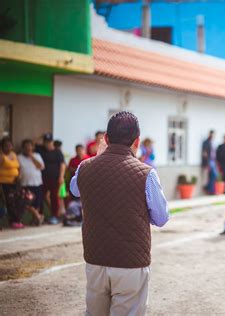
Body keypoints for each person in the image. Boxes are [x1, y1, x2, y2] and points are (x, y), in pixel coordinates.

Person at [70, 111, 169, 315]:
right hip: (130, 263)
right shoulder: (147, 174)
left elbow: (74, 189)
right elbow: (161, 218)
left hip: (95, 259)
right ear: (137, 141)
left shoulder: (84, 167)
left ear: (105, 139)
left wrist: (97, 157)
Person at [36, 133, 66, 225]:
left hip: (55, 179)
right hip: (42, 179)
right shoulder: (40, 150)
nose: (48, 144)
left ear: (52, 142)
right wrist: (40, 136)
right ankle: (40, 215)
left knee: (54, 198)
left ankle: (54, 216)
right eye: (46, 142)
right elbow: (32, 144)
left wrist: (61, 176)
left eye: (49, 142)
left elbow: (62, 164)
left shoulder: (57, 152)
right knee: (40, 197)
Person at [18, 139, 45, 226]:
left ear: (32, 147)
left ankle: (35, 219)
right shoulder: (19, 157)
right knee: (27, 203)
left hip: (37, 183)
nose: (28, 148)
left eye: (30, 146)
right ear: (23, 148)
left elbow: (41, 166)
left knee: (37, 203)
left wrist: (32, 157)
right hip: (25, 184)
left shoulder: (37, 155)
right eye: (26, 147)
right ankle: (38, 216)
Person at [0, 137, 22, 228]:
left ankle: (14, 220)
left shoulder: (13, 154)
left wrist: (18, 175)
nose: (8, 147)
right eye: (6, 146)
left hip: (14, 183)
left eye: (10, 145)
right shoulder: (1, 156)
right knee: (6, 203)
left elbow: (18, 167)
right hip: (3, 183)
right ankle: (12, 221)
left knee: (14, 202)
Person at [202, 130, 217, 194]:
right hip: (209, 161)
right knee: (213, 174)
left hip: (213, 161)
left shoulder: (212, 142)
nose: (212, 136)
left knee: (213, 175)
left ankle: (210, 189)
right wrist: (207, 163)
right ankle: (209, 189)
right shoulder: (206, 142)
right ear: (209, 134)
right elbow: (204, 153)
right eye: (212, 134)